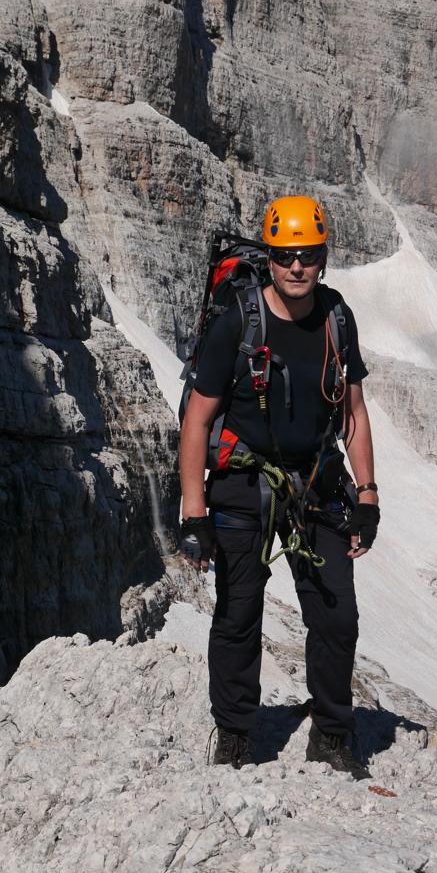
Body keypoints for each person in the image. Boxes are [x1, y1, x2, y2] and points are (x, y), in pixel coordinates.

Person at [179, 196, 379, 779]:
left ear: (323, 257)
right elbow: (198, 417)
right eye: (286, 255)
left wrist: (367, 495)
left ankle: (333, 737)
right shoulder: (238, 321)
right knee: (239, 612)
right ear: (269, 257)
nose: (297, 267)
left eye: (309, 255)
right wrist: (195, 513)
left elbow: (355, 416)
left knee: (336, 616)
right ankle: (236, 735)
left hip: (317, 481)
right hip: (244, 479)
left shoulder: (338, 319)